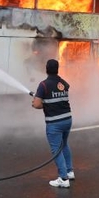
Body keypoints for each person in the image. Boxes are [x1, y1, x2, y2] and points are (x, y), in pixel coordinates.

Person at [31, 59, 74, 188]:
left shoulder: (43, 85)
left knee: (56, 149)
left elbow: (38, 104)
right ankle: (69, 171)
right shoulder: (63, 83)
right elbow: (55, 99)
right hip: (67, 119)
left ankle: (63, 178)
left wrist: (35, 103)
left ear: (46, 69)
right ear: (57, 69)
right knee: (64, 145)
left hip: (55, 123)